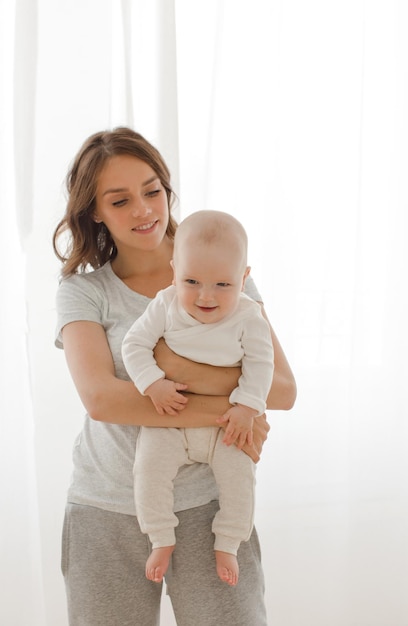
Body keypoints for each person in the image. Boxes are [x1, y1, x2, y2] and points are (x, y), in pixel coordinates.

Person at [53, 126, 296, 626]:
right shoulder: (83, 293)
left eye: (152, 191)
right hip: (107, 507)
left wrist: (215, 393)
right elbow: (101, 399)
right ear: (94, 210)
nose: (144, 210)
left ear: (167, 188)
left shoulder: (222, 271)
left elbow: (283, 390)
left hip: (209, 504)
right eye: (120, 201)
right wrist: (232, 412)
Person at [122, 209, 274, 587]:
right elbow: (134, 344)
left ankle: (229, 542)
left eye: (223, 285)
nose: (206, 296)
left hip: (223, 426)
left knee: (240, 477)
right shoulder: (166, 303)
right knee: (148, 469)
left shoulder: (249, 316)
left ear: (244, 278)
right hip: (171, 420)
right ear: (174, 271)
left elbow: (262, 363)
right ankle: (160, 537)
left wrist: (246, 407)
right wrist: (152, 383)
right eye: (191, 280)